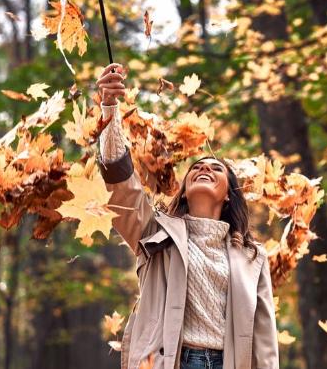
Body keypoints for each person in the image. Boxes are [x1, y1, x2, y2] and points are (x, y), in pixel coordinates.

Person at [96, 63, 280, 369]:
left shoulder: (251, 256)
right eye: (197, 167)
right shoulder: (156, 234)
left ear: (228, 194)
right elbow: (122, 189)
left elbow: (264, 338)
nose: (203, 168)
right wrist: (109, 108)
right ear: (183, 192)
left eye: (215, 168)